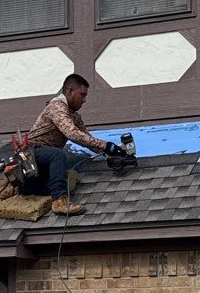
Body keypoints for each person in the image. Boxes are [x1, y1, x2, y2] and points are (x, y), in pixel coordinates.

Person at [25, 72, 125, 217]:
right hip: (32, 155)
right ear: (70, 91)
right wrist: (105, 145)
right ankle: (59, 202)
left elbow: (86, 138)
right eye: (82, 95)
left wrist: (109, 151)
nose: (84, 100)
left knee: (65, 182)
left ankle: (29, 189)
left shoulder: (74, 116)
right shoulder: (57, 107)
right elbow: (72, 134)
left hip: (41, 165)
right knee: (57, 154)